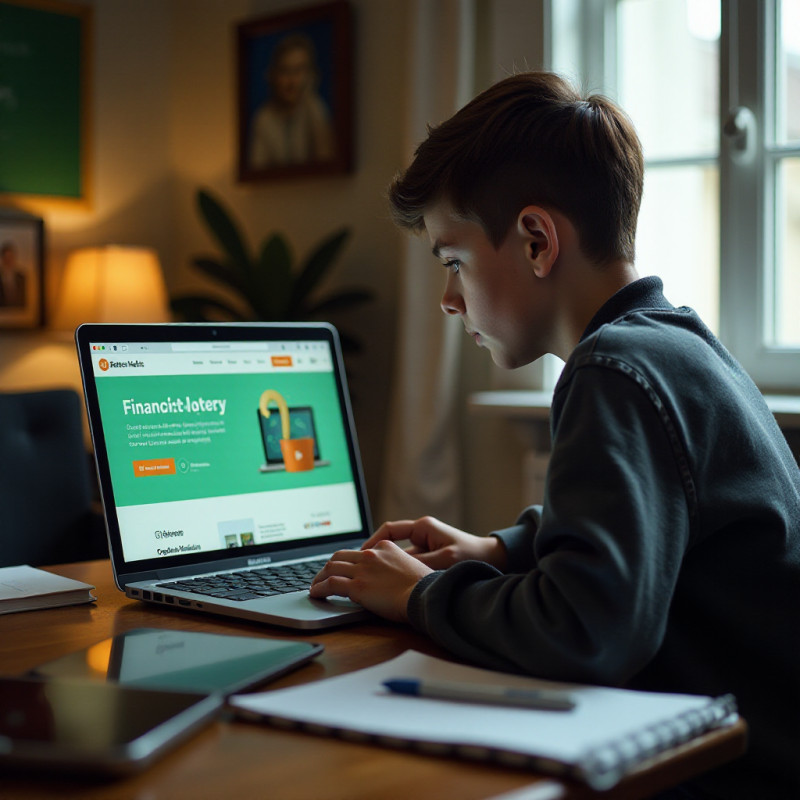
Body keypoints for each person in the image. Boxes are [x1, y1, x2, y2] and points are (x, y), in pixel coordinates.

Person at [309, 72, 800, 797]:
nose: (448, 300)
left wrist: (425, 596)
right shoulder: (676, 342)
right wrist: (507, 547)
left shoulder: (614, 368)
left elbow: (586, 632)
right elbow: (658, 522)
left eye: (453, 262)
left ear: (537, 240)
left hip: (737, 770)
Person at [248, 33, 335, 169]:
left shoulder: (315, 109)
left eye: (299, 70)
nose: (292, 80)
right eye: (285, 70)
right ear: (274, 76)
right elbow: (257, 168)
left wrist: (310, 102)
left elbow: (326, 160)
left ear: (311, 75)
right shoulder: (264, 118)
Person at [0, 241, 27, 308]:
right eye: (6, 258)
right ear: (2, 259)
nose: (8, 261)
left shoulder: (21, 277)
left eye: (10, 257)